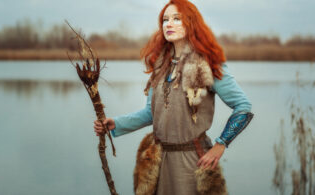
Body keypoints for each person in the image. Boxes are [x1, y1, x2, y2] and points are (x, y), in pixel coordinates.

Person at [94, 0, 253, 194]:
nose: (168, 24)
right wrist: (116, 124)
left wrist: (221, 144)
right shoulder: (160, 66)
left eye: (177, 19)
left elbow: (243, 107)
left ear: (191, 23)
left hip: (192, 161)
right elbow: (150, 114)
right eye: (165, 20)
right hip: (158, 161)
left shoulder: (208, 65)